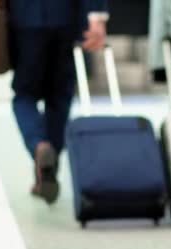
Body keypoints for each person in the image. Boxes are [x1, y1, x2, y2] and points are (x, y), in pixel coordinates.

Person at [8, 0, 108, 204]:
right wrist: (96, 16)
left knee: (24, 95)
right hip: (66, 17)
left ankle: (39, 145)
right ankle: (48, 172)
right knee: (59, 97)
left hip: (26, 17)